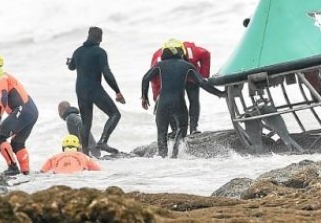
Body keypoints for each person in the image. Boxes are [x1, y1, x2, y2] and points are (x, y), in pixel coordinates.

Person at [140, 39, 225, 158]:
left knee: (161, 133)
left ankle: (163, 159)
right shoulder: (187, 66)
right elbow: (202, 82)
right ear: (182, 51)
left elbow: (145, 78)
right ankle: (175, 155)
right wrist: (220, 93)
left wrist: (144, 97)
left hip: (162, 104)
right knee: (182, 128)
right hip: (178, 103)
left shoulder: (160, 65)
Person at [68, 26, 126, 155]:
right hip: (94, 88)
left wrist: (69, 63)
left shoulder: (77, 51)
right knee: (115, 114)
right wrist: (117, 91)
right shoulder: (100, 52)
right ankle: (102, 142)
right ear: (100, 38)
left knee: (86, 122)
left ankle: (84, 153)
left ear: (88, 36)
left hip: (80, 90)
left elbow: (71, 67)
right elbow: (106, 72)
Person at [0, 53, 39, 175]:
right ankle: (25, 173)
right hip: (31, 112)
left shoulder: (1, 79)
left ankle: (13, 168)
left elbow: (2, 100)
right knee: (17, 143)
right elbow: (0, 105)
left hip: (23, 111)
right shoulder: (6, 77)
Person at [149, 40, 213, 135]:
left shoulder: (193, 53)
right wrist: (157, 96)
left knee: (194, 98)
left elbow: (206, 54)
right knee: (168, 102)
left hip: (191, 76)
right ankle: (175, 130)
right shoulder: (158, 62)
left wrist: (203, 76)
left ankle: (193, 128)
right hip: (171, 79)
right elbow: (153, 79)